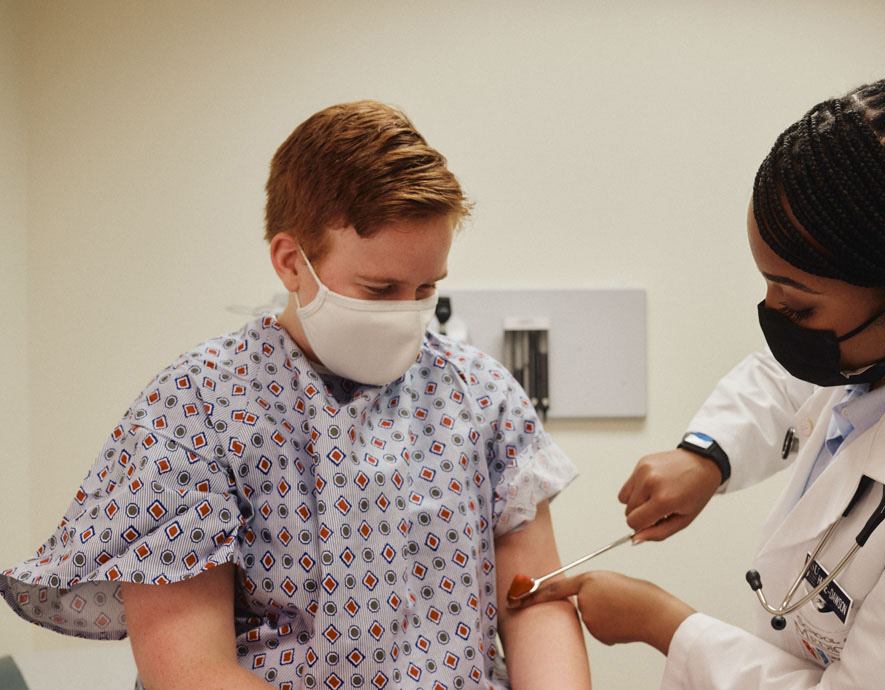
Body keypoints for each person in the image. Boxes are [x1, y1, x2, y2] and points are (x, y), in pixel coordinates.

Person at [514, 80, 885, 688]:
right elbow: (793, 383)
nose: (775, 317)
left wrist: (666, 625)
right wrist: (706, 456)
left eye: (799, 307)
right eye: (768, 285)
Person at [1, 101, 591, 690]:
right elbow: (190, 670)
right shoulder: (197, 408)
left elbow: (535, 602)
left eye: (426, 288)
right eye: (379, 288)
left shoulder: (480, 395)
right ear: (291, 261)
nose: (407, 312)